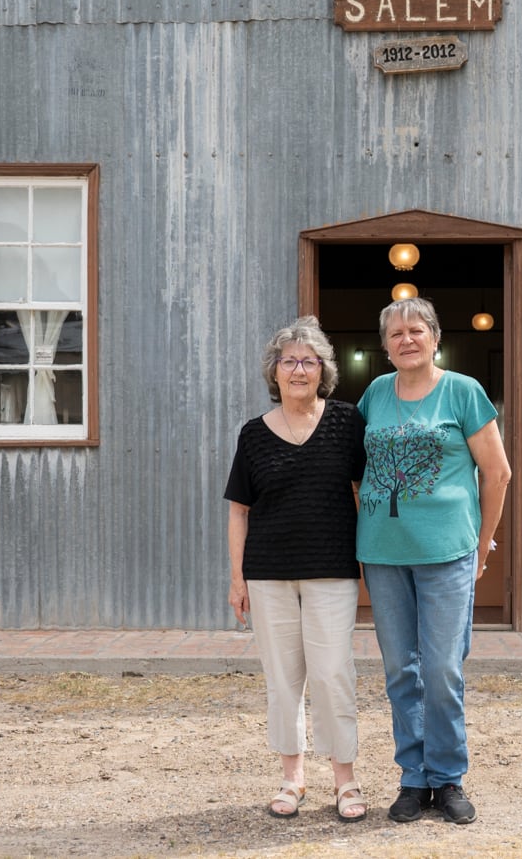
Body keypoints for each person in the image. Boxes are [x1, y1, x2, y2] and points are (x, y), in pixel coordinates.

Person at [357, 296, 512, 825]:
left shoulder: (463, 392)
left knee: (442, 669)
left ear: (435, 337)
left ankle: (447, 778)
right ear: (384, 347)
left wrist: (482, 545)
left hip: (448, 552)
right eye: (395, 333)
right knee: (401, 669)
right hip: (383, 555)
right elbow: (356, 466)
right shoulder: (376, 394)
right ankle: (412, 778)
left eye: (416, 329)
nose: (406, 339)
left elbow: (498, 474)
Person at [223, 317, 369, 822]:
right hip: (268, 573)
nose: (299, 369)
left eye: (309, 361)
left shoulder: (347, 422)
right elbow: (239, 509)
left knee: (332, 673)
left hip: (332, 568)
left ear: (323, 370)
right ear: (275, 372)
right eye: (290, 361)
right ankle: (292, 778)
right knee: (283, 678)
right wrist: (237, 578)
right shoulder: (253, 434)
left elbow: (363, 492)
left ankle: (345, 782)